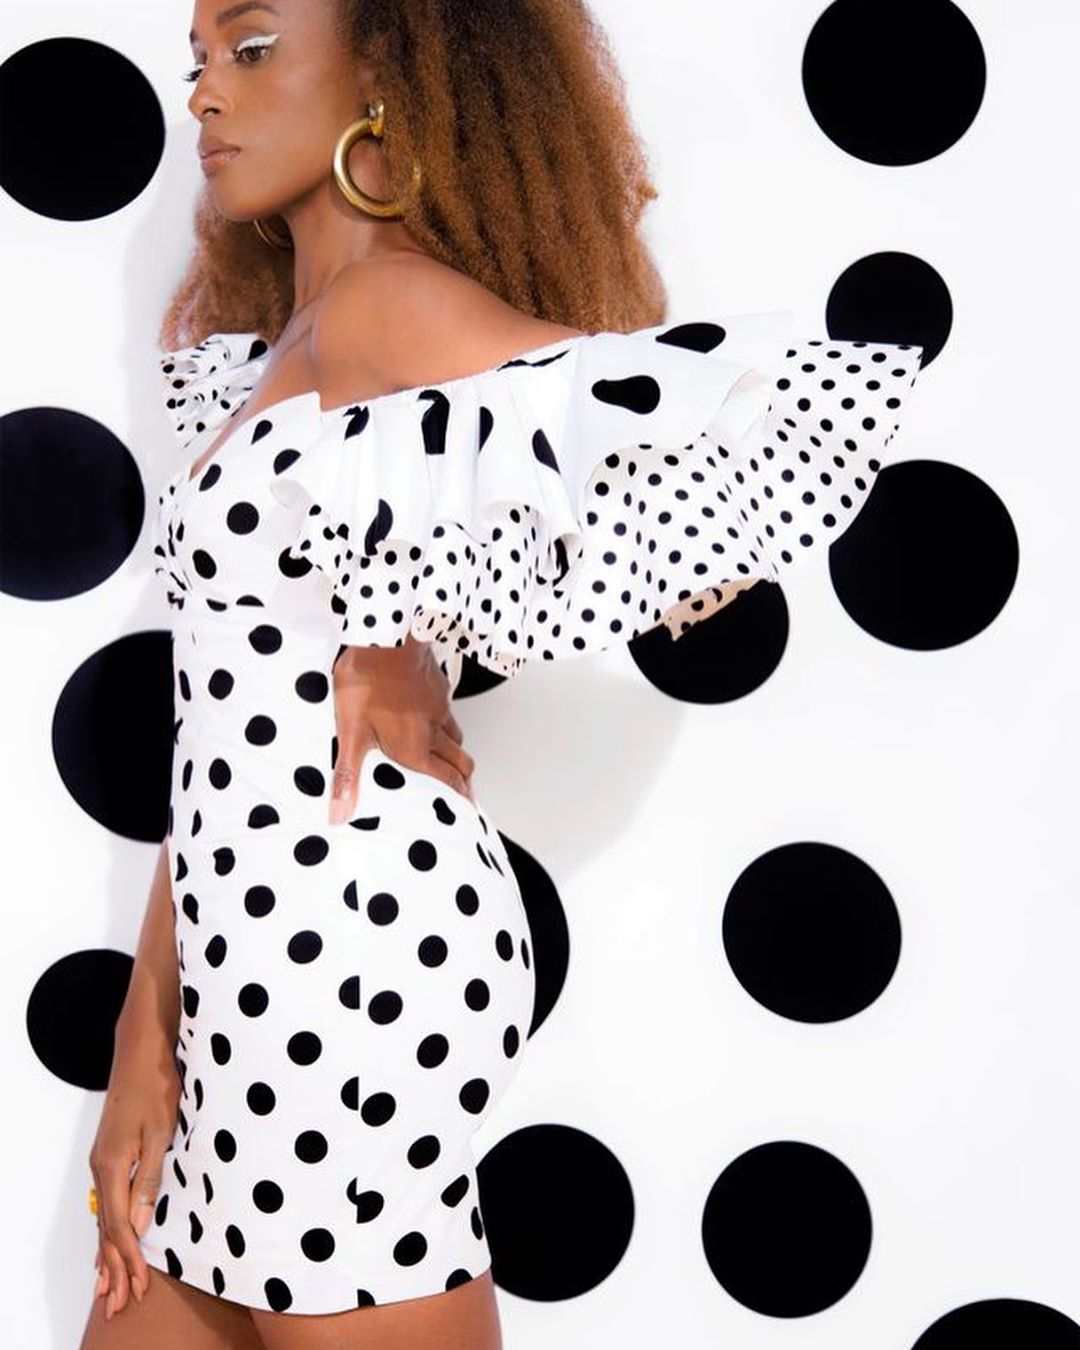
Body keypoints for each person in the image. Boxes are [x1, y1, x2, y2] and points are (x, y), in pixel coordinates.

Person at [80, 1, 924, 1346]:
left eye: (252, 48)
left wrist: (401, 630)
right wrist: (146, 1034)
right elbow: (225, 723)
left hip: (348, 952)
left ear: (389, 75)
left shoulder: (387, 308)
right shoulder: (289, 350)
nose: (205, 95)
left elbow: (691, 440)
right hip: (241, 954)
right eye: (198, 62)